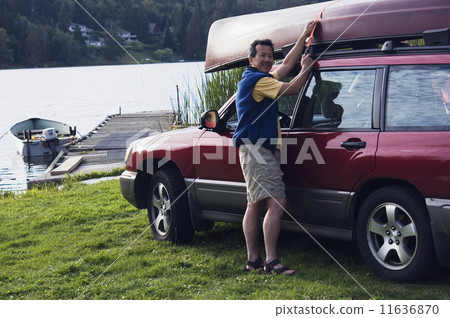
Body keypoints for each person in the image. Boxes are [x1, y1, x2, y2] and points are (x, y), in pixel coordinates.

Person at [233, 20, 317, 275]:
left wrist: (303, 36)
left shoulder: (258, 78)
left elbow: (287, 65)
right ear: (251, 59)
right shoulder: (260, 82)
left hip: (251, 148)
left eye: (270, 56)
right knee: (276, 201)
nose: (268, 60)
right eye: (262, 56)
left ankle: (253, 260)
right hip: (258, 149)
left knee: (254, 204)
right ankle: (270, 261)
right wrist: (306, 69)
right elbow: (292, 87)